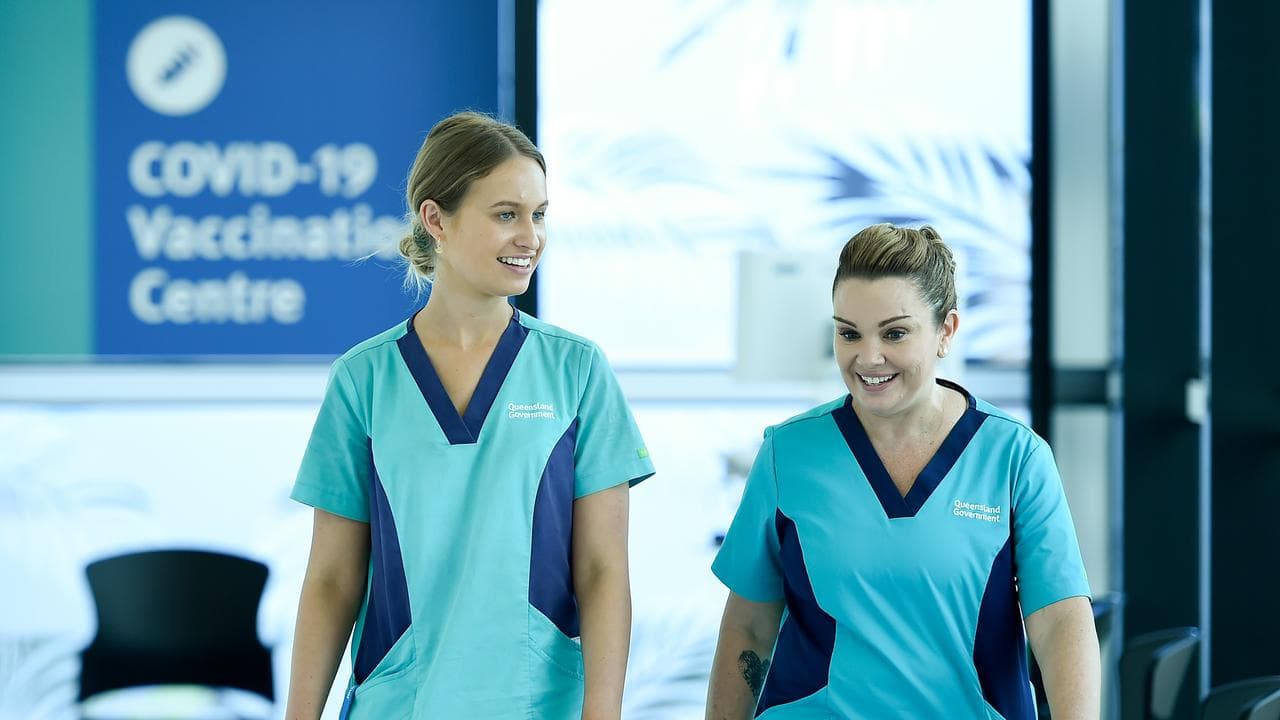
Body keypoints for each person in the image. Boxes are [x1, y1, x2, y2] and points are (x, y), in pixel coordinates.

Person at [284, 111, 654, 720]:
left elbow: (603, 569)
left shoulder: (577, 371)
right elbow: (331, 577)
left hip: (538, 704)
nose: (530, 236)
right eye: (506, 214)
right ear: (437, 220)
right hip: (400, 704)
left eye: (539, 215)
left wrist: (603, 713)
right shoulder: (363, 380)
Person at [705, 224, 1100, 719]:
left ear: (946, 331)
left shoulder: (1015, 458)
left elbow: (1060, 620)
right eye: (849, 333)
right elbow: (749, 626)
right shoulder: (788, 453)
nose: (868, 358)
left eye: (894, 333)